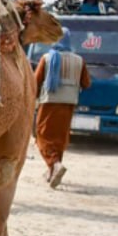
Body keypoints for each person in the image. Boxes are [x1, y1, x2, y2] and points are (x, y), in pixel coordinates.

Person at [34, 28, 91, 188]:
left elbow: (35, 81)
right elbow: (86, 83)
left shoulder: (47, 58)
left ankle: (55, 164)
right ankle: (52, 171)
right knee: (60, 137)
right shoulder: (79, 60)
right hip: (69, 103)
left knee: (43, 135)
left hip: (49, 102)